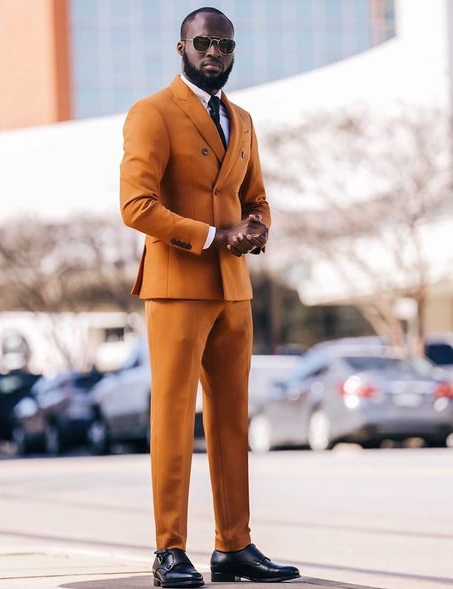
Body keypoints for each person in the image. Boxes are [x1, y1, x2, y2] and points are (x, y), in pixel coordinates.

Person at [120, 7, 300, 587]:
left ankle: (234, 545)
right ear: (181, 48)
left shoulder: (242, 120)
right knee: (173, 420)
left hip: (234, 290)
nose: (215, 52)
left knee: (230, 422)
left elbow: (258, 197)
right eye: (204, 43)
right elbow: (135, 206)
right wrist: (213, 235)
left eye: (225, 44)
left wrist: (257, 228)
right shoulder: (152, 113)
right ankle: (169, 549)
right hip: (177, 288)